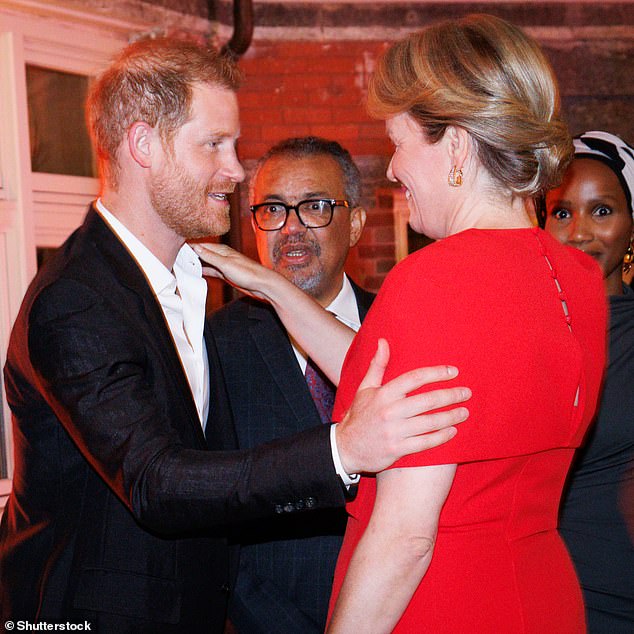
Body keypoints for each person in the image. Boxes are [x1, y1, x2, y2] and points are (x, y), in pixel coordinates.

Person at [0, 37, 473, 633]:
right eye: (214, 145)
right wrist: (342, 450)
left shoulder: (193, 281)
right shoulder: (77, 299)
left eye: (234, 145)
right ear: (144, 145)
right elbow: (157, 480)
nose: (235, 170)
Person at [195, 14, 608, 633]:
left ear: (459, 147)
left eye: (400, 142)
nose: (391, 170)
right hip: (543, 597)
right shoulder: (578, 278)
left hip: (443, 604)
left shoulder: (435, 279)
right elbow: (390, 383)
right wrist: (272, 288)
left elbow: (406, 537)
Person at [208, 136, 374, 633]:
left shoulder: (399, 325)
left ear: (357, 223)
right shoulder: (214, 344)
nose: (292, 229)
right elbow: (212, 508)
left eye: (315, 207)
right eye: (274, 210)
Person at [543, 130, 634, 633]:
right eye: (562, 212)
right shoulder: (519, 330)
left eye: (602, 211)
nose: (578, 232)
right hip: (532, 591)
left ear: (630, 226)